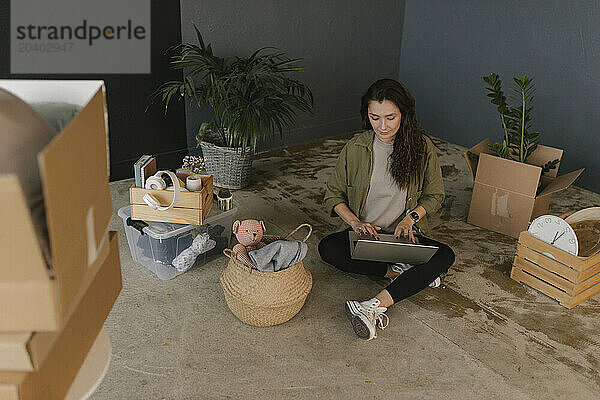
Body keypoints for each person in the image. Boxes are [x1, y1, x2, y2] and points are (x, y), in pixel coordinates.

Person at [318, 79, 455, 341]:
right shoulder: (356, 148)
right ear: (366, 115)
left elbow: (435, 195)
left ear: (404, 114)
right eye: (374, 118)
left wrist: (410, 218)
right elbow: (332, 195)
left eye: (390, 117)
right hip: (368, 237)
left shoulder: (422, 148)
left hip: (406, 237)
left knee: (445, 256)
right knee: (328, 248)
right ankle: (403, 272)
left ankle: (373, 306)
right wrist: (356, 223)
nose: (382, 126)